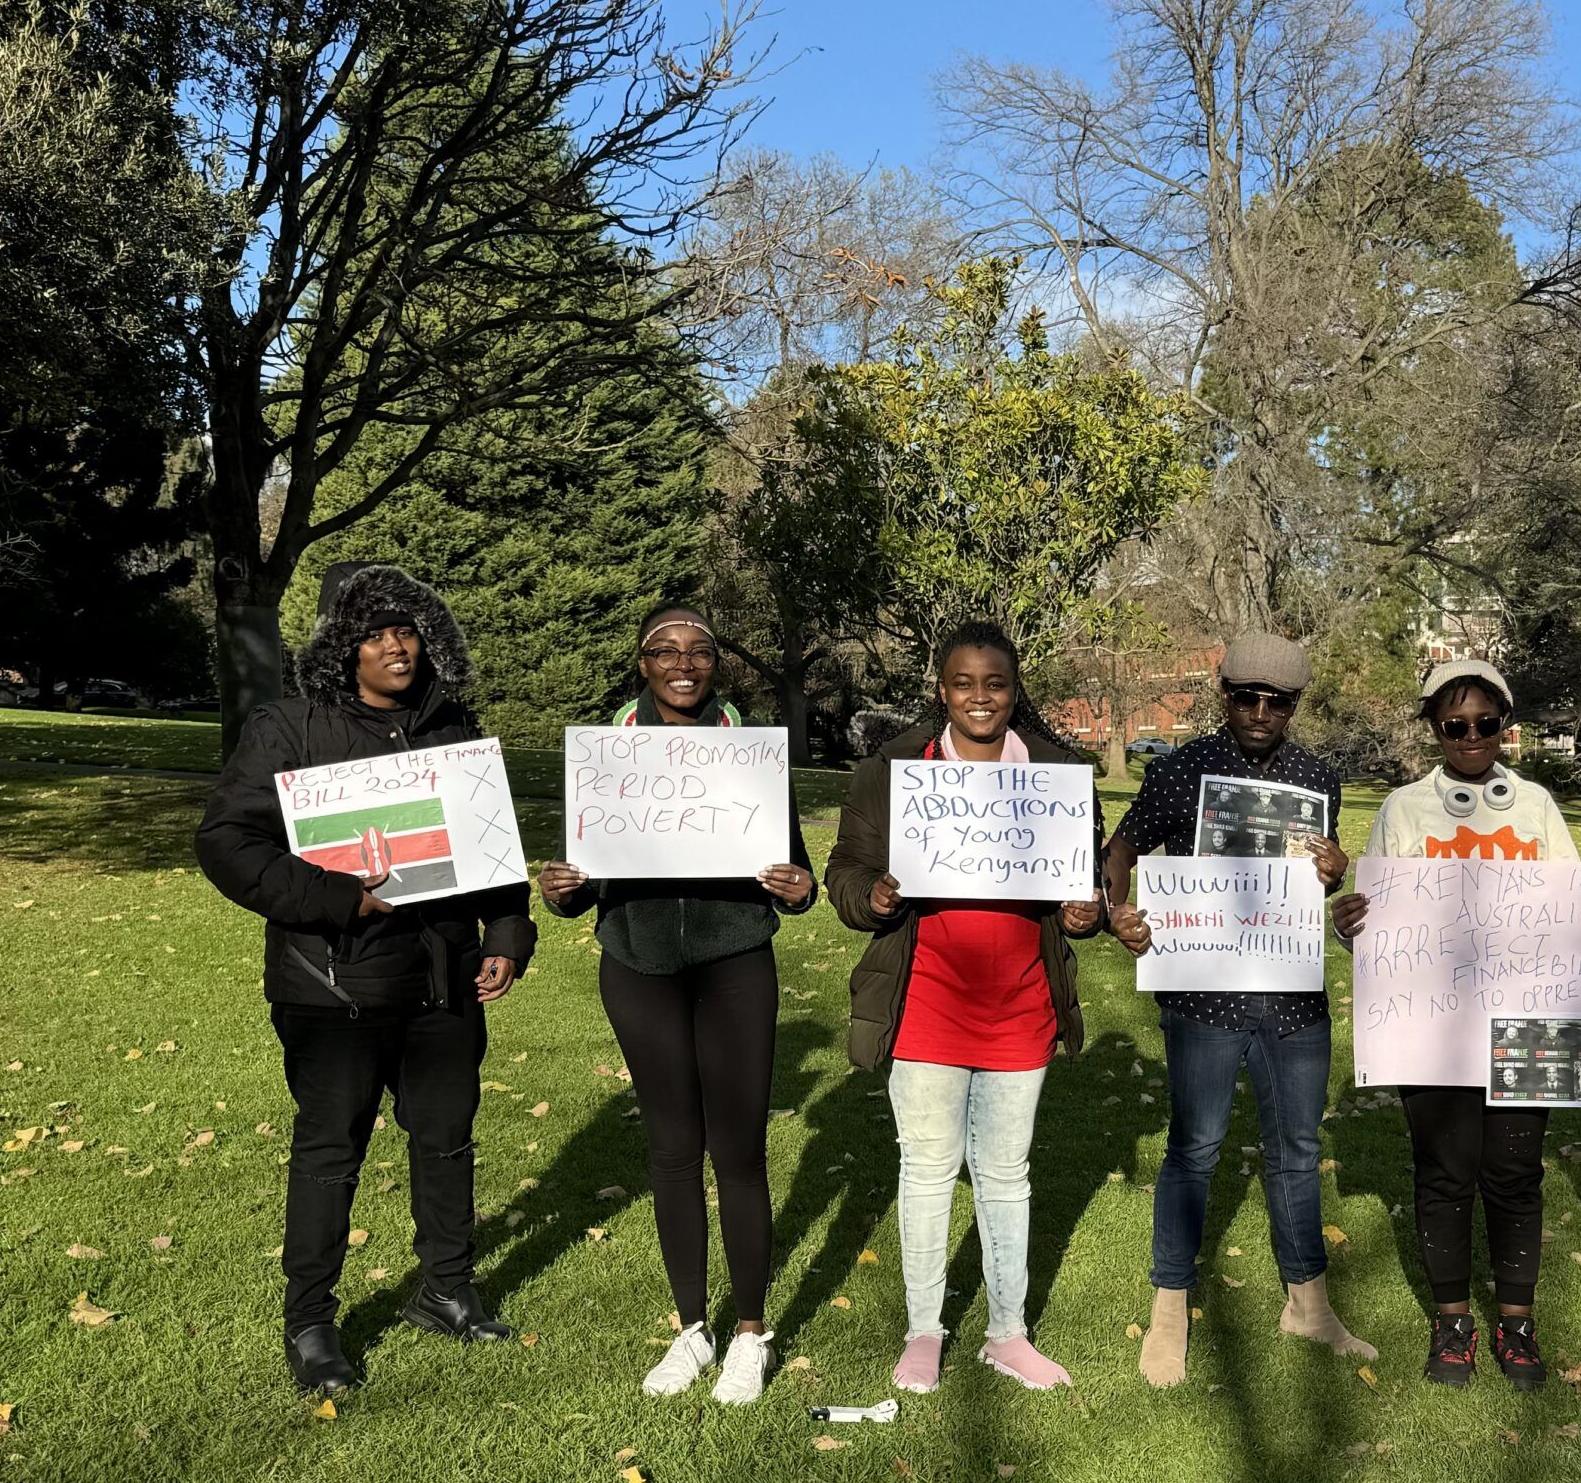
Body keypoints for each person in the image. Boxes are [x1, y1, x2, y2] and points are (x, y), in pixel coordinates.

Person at [197, 564, 535, 1396]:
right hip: (332, 986)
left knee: (446, 1138)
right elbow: (228, 842)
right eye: (375, 632)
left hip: (443, 980)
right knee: (328, 1152)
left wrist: (507, 930)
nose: (395, 646)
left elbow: (490, 846)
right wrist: (336, 899)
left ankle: (447, 1289)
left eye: (408, 629)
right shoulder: (291, 726)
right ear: (341, 645)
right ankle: (311, 1321)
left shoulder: (452, 727)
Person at [1331, 659, 1581, 1391]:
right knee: (1443, 1175)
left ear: (1506, 725)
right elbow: (1377, 922)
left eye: (1485, 722)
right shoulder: (1405, 809)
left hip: (1526, 1017)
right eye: (1454, 724)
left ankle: (1516, 1323)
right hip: (1429, 1021)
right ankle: (1451, 1325)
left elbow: (1573, 905)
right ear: (1434, 729)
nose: (1471, 736)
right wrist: (1352, 924)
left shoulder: (1535, 804)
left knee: (1513, 1175)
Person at [535, 608, 817, 1406]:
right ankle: (692, 1328)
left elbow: (795, 872)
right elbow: (578, 876)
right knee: (669, 1150)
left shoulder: (754, 754)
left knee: (739, 1151)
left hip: (735, 962)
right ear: (642, 662)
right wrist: (559, 892)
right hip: (638, 962)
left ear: (716, 665)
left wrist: (801, 888)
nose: (683, 663)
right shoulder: (604, 756)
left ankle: (751, 1333)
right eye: (666, 650)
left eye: (699, 651)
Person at [828, 622, 1105, 1394]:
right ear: (939, 689)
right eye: (963, 683)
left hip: (1020, 1002)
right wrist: (872, 896)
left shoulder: (1056, 773)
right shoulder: (893, 771)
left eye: (995, 684)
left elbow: (1085, 881)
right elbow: (844, 870)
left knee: (1007, 1171)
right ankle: (924, 1330)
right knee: (925, 1167)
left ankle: (1006, 1332)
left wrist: (1085, 909)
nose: (979, 697)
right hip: (925, 998)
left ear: (1015, 693)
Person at [1104, 633, 1371, 1386]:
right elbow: (1121, 848)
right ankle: (1168, 1310)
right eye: (1244, 696)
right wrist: (1117, 906)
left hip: (1292, 1000)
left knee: (1296, 1148)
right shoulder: (1180, 769)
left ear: (1295, 705)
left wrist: (1333, 867)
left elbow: (1312, 885)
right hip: (1203, 994)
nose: (1258, 711)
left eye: (1276, 700)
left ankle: (1309, 1304)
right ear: (1221, 693)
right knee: (1195, 1148)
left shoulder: (1317, 777)